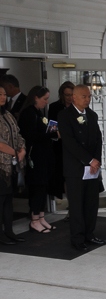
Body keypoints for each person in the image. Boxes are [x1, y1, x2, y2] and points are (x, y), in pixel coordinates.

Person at [58, 84, 106, 252]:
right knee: (77, 205)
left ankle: (89, 234)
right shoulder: (65, 116)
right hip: (75, 168)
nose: (87, 99)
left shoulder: (92, 115)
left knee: (91, 203)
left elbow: (98, 139)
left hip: (92, 167)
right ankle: (77, 238)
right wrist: (88, 160)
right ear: (74, 97)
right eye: (84, 96)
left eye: (89, 96)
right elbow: (69, 142)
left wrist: (96, 161)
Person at [18, 86, 57, 233]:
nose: (46, 102)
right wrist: (50, 134)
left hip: (43, 156)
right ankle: (34, 219)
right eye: (44, 99)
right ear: (35, 97)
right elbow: (30, 136)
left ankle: (41, 216)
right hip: (35, 157)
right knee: (37, 187)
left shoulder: (39, 112)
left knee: (43, 187)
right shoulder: (28, 113)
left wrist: (51, 132)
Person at [0, 87, 26, 245]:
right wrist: (15, 152)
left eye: (4, 94)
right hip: (1, 165)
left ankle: (9, 231)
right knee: (1, 200)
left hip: (12, 164)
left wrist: (22, 149)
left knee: (9, 200)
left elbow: (18, 134)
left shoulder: (7, 114)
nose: (3, 97)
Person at [48, 81, 74, 199]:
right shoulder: (55, 107)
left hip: (75, 146)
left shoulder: (78, 106)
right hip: (60, 147)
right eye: (67, 95)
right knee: (62, 176)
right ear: (62, 95)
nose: (69, 97)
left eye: (71, 94)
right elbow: (52, 130)